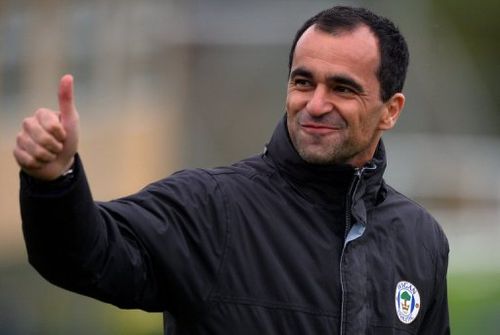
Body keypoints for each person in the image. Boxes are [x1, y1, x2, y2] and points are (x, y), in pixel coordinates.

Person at [14, 5, 450, 335]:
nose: (316, 104)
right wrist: (56, 180)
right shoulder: (210, 208)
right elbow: (85, 255)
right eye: (303, 82)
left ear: (390, 111)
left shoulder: (420, 240)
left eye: (342, 88)